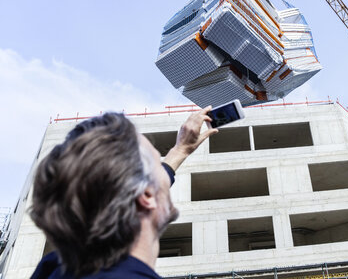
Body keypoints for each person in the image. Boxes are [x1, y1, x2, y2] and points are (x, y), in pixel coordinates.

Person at [30, 107, 218, 279]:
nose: (164, 171)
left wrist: (180, 150)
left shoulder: (54, 270)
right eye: (157, 164)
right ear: (146, 196)